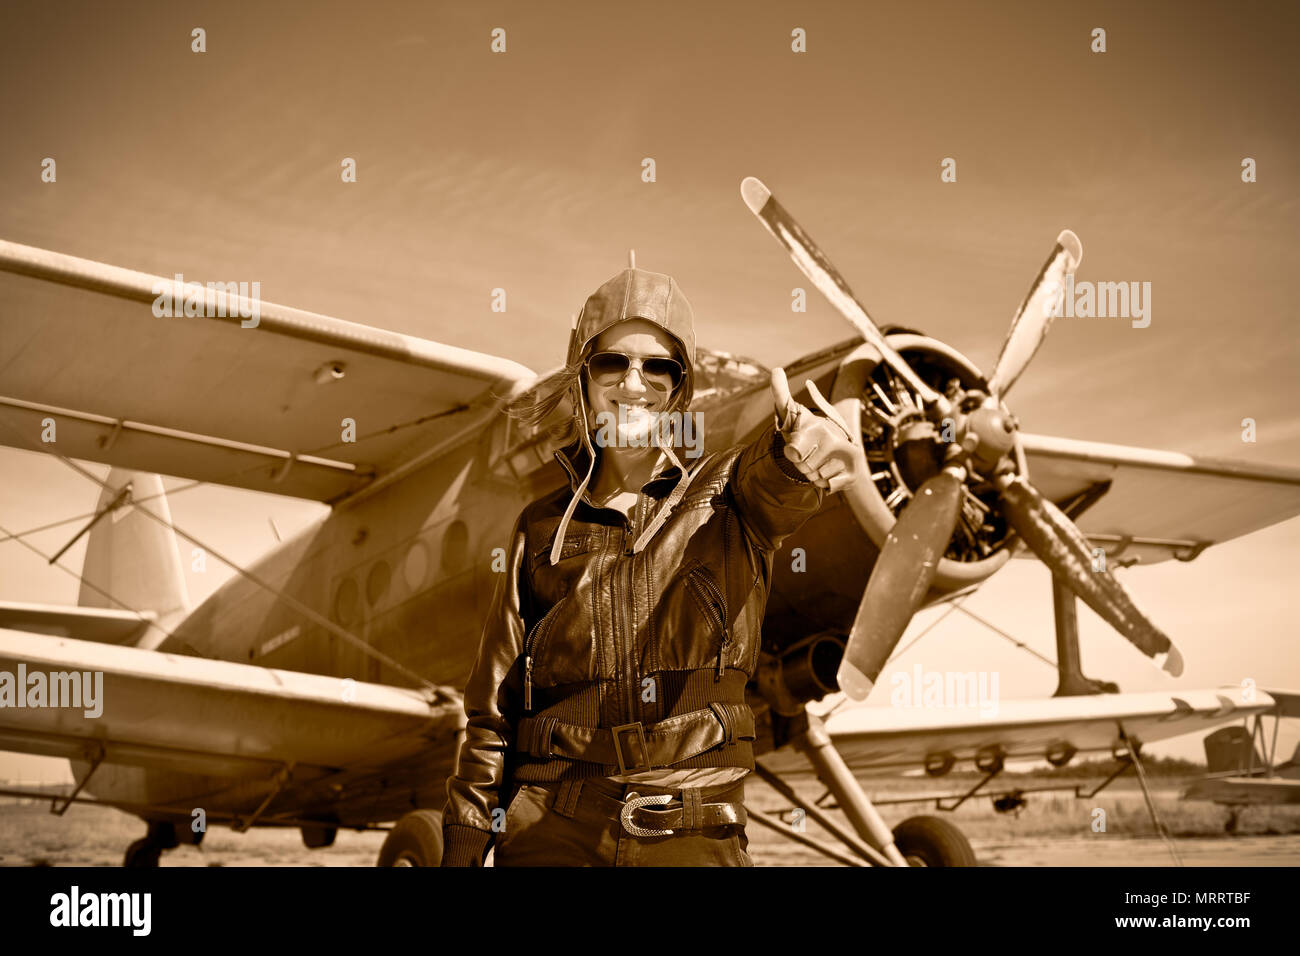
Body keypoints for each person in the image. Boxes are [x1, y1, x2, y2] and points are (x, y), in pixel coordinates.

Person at [440, 263, 862, 866]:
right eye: (613, 362)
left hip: (692, 831)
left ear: (678, 388)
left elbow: (776, 486)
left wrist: (799, 460)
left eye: (658, 365)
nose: (633, 382)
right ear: (583, 378)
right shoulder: (538, 526)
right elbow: (493, 712)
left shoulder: (729, 496)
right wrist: (464, 841)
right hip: (549, 831)